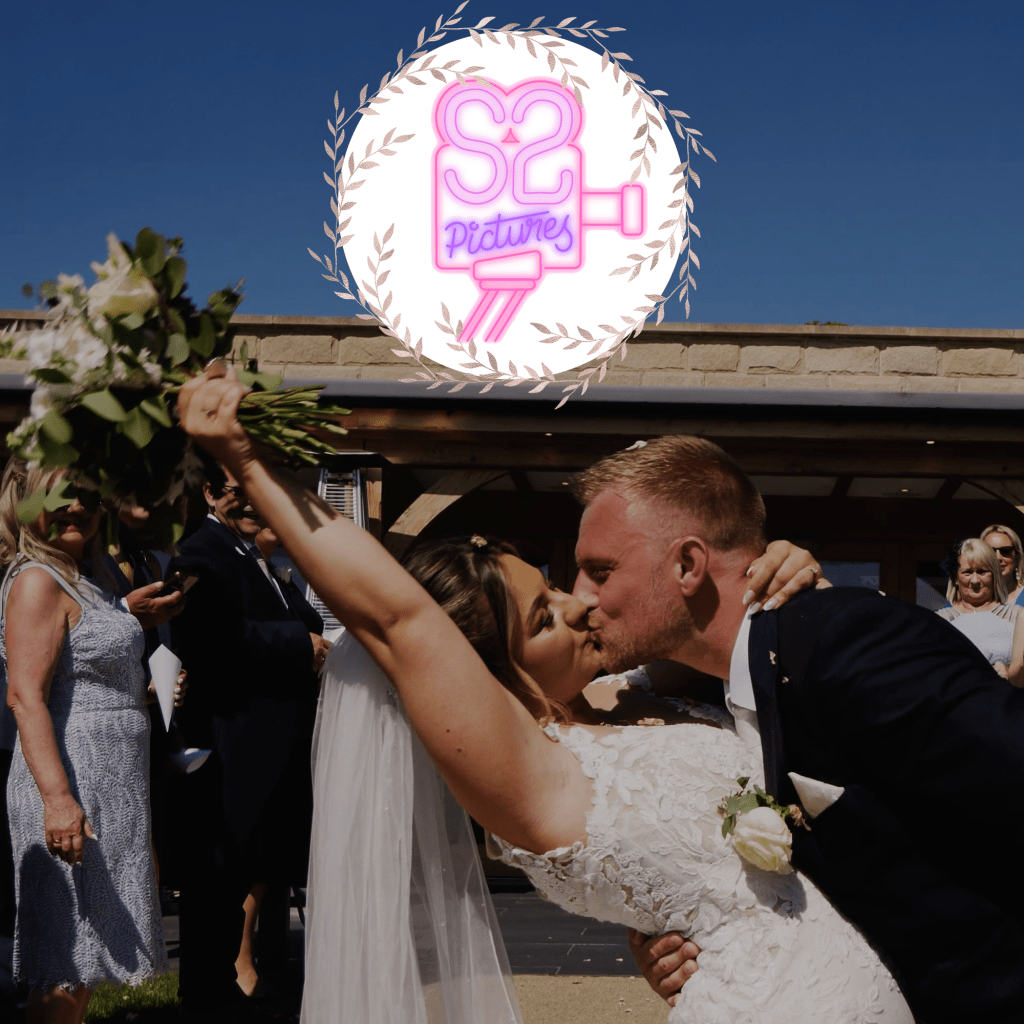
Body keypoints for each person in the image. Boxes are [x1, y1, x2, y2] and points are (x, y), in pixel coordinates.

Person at [177, 367, 915, 1024]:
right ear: (494, 676)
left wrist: (781, 565)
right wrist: (247, 460)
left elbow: (717, 631)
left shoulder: (637, 692)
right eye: (542, 618)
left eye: (555, 588)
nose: (578, 604)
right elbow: (397, 620)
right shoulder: (527, 771)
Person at [0, 461, 179, 1024]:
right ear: (30, 503)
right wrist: (57, 800)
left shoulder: (84, 576)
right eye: (62, 496)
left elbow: (80, 676)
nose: (78, 507)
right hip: (71, 780)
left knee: (86, 966)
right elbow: (26, 696)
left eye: (89, 497)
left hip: (115, 783)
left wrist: (141, 691)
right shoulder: (36, 580)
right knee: (67, 964)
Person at [166, 462, 328, 1016]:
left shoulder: (254, 556)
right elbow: (208, 635)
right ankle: (208, 995)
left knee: (250, 869)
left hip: (270, 745)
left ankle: (229, 986)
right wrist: (299, 644)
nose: (254, 503)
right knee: (219, 878)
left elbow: (306, 620)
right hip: (232, 744)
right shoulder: (200, 555)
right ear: (211, 492)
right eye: (240, 492)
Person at [936, 538, 1024, 685]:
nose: (975, 580)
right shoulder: (939, 621)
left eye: (982, 572)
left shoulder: (1018, 616)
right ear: (956, 577)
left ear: (994, 575)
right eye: (967, 572)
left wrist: (1010, 673)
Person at [981, 523, 1024, 606]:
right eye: (990, 551)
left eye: (1006, 551)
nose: (998, 558)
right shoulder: (968, 597)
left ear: (1017, 557)